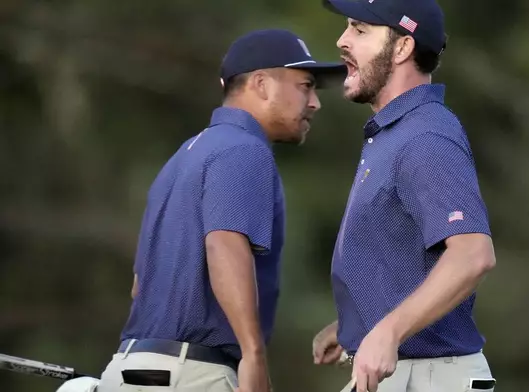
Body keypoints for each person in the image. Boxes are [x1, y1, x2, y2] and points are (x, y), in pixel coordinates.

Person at [94, 29, 346, 392]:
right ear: (261, 84)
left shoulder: (185, 155)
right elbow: (224, 245)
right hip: (193, 374)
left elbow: (140, 286)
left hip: (130, 366)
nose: (314, 103)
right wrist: (253, 355)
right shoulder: (245, 149)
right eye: (305, 85)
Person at [312, 1, 497, 391]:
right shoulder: (395, 132)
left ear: (401, 48)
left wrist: (388, 331)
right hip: (413, 373)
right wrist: (358, 322)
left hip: (432, 378)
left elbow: (472, 253)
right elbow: (407, 262)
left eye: (360, 30)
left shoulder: (425, 137)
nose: (342, 40)